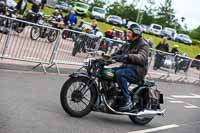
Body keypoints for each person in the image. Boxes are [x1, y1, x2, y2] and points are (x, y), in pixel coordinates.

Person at [111, 27, 149, 111]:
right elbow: (118, 53)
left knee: (120, 74)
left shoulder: (143, 45)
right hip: (127, 68)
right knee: (108, 72)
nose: (127, 34)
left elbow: (141, 57)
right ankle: (111, 95)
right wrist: (107, 58)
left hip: (138, 71)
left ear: (135, 34)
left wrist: (128, 56)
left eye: (129, 32)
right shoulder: (128, 43)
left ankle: (127, 100)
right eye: (127, 32)